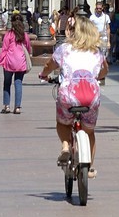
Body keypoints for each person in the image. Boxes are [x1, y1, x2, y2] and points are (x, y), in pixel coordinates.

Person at [39, 12, 107, 174]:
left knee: (63, 122)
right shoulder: (97, 53)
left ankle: (65, 146)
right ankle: (89, 167)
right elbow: (104, 70)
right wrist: (96, 76)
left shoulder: (64, 49)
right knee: (89, 131)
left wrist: (44, 75)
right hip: (91, 96)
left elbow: (50, 64)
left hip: (69, 95)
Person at [0, 12, 31, 113]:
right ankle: (18, 107)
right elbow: (28, 48)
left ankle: (6, 106)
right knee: (18, 83)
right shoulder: (24, 35)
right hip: (21, 62)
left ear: (12, 23)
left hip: (9, 62)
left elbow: (4, 49)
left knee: (7, 83)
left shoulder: (9, 34)